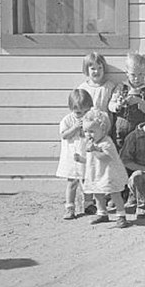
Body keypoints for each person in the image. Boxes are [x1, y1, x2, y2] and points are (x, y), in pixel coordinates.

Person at [75, 108, 131, 229]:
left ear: (103, 130)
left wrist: (94, 150)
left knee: (115, 193)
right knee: (97, 192)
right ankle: (102, 213)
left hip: (109, 173)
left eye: (92, 131)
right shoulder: (91, 143)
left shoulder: (107, 143)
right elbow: (92, 160)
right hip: (97, 173)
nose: (88, 134)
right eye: (86, 131)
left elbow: (105, 158)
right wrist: (81, 160)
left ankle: (121, 215)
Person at [55, 89, 95, 219]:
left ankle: (88, 204)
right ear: (71, 109)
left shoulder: (90, 118)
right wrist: (75, 127)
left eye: (85, 112)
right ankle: (70, 206)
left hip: (85, 154)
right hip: (72, 156)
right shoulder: (67, 120)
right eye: (78, 112)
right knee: (72, 182)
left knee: (87, 181)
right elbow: (64, 135)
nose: (82, 115)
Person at [108, 51, 145, 150]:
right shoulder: (121, 88)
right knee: (120, 151)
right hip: (120, 130)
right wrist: (117, 106)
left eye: (140, 74)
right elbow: (110, 105)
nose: (137, 78)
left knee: (137, 151)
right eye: (133, 75)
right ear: (127, 73)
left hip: (139, 130)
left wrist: (139, 102)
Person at [77, 52, 117, 127]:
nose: (96, 71)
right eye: (93, 69)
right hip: (87, 127)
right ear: (86, 70)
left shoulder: (109, 87)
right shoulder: (82, 88)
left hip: (104, 127)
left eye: (100, 68)